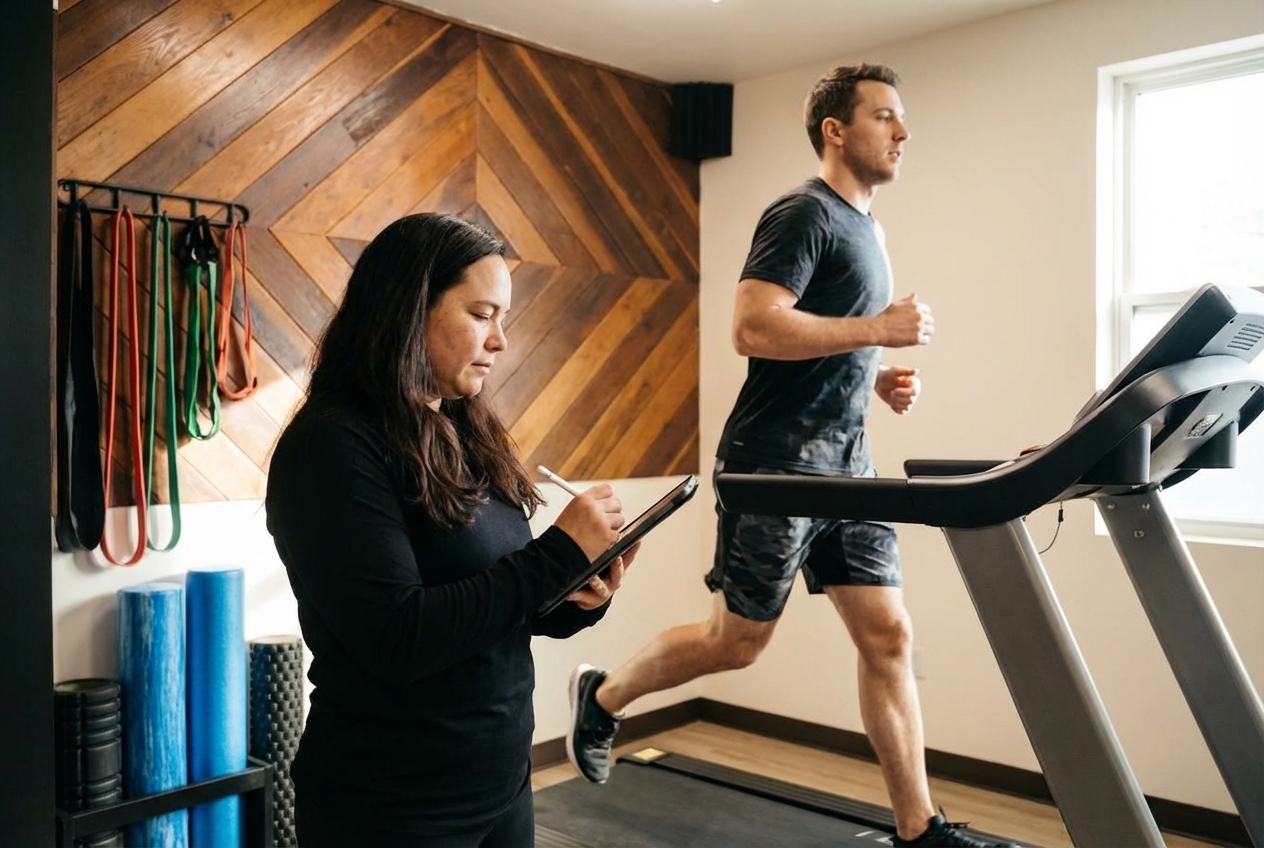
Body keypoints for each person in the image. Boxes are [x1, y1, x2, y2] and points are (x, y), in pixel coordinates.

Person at [566, 64, 1016, 848]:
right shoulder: (802, 213)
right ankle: (604, 697)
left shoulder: (868, 227)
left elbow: (816, 333)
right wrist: (878, 332)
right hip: (774, 466)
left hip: (848, 465)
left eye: (902, 119)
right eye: (885, 117)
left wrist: (872, 377)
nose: (903, 132)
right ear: (836, 131)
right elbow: (754, 328)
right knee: (737, 643)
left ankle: (920, 831)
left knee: (889, 636)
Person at [266, 212, 638, 847]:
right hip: (392, 805)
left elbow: (500, 605)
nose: (500, 341)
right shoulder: (331, 446)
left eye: (503, 318)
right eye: (481, 314)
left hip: (500, 785)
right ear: (410, 311)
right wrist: (556, 555)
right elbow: (398, 636)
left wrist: (579, 592)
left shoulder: (465, 430)